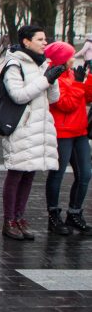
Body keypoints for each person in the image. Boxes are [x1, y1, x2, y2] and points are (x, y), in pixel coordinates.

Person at [0, 25, 61, 240]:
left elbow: (52, 99)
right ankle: (9, 220)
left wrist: (52, 79)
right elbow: (18, 95)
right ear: (26, 41)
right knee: (16, 174)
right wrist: (46, 79)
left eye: (45, 39)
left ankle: (20, 217)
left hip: (40, 128)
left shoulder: (42, 63)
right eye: (40, 39)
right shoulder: (15, 63)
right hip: (21, 127)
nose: (45, 42)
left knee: (29, 174)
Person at [47, 41, 92, 236]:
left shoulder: (74, 74)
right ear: (62, 59)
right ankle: (53, 215)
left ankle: (74, 213)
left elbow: (87, 97)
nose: (74, 59)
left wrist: (89, 78)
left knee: (85, 174)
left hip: (80, 131)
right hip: (63, 132)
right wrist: (78, 84)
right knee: (57, 174)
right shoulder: (54, 76)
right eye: (70, 56)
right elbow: (65, 104)